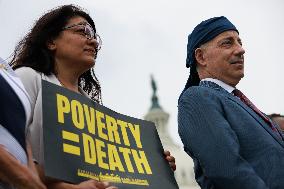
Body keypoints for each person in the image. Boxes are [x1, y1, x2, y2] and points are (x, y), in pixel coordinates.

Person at [11, 4, 175, 189]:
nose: (94, 42)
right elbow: (7, 154)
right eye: (83, 31)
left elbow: (103, 174)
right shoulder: (28, 78)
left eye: (94, 35)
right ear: (51, 41)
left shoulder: (91, 105)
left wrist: (154, 168)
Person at [177, 16, 284, 189]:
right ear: (201, 56)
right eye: (228, 43)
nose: (241, 50)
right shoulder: (196, 98)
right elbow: (226, 169)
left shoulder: (237, 102)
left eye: (239, 42)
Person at [0, 58, 46, 189]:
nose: (93, 41)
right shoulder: (27, 75)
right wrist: (23, 178)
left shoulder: (8, 72)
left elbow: (20, 134)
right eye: (83, 35)